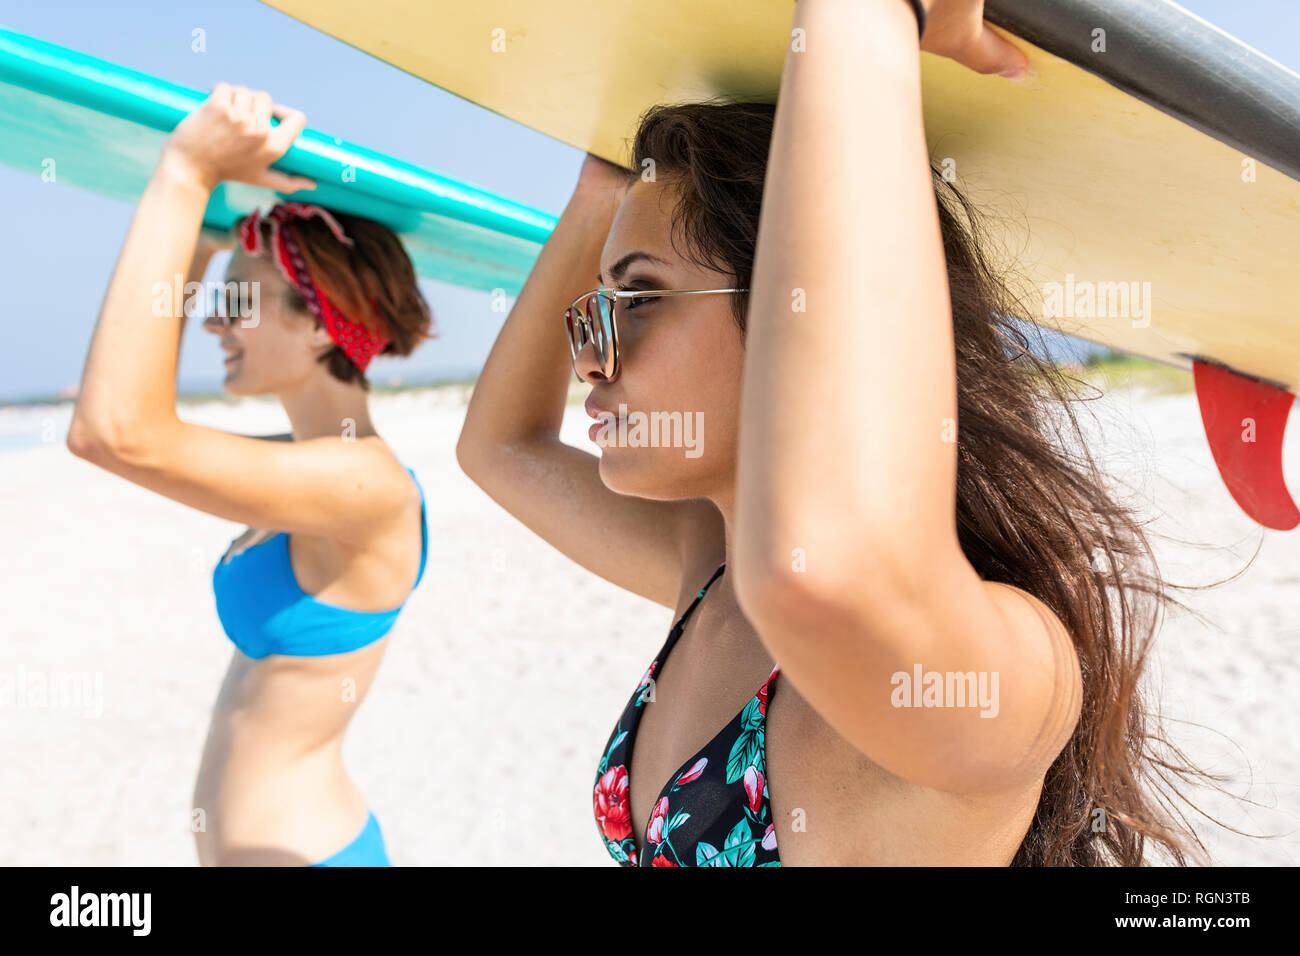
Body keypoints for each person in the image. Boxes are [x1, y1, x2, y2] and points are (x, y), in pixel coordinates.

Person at [457, 0, 1220, 866]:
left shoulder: (1009, 669)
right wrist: (604, 188)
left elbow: (828, 571)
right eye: (592, 312)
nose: (592, 361)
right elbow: (500, 448)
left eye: (634, 301)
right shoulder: (713, 571)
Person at [67, 83, 434, 866]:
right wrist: (198, 245)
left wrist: (186, 173)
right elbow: (137, 414)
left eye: (236, 299)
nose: (211, 318)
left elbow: (112, 432)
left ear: (319, 316)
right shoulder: (307, 464)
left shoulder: (365, 488)